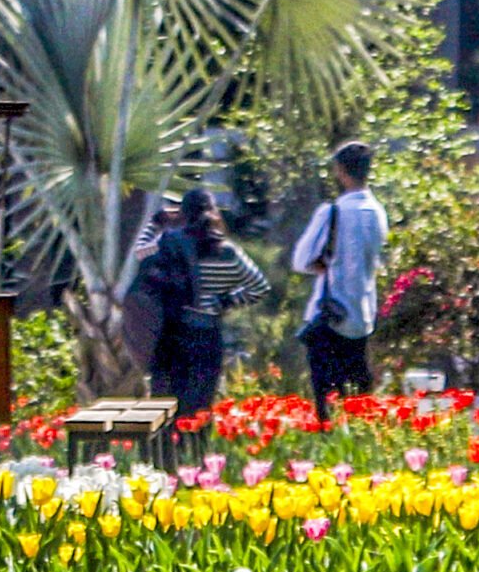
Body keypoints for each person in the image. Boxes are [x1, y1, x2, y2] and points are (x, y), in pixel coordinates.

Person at [132, 189, 268, 417]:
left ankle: (164, 452)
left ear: (183, 214)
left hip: (171, 336)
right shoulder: (227, 252)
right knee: (199, 408)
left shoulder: (168, 244)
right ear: (213, 212)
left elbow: (140, 251)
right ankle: (198, 451)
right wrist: (226, 302)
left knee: (166, 409)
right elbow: (260, 287)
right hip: (207, 336)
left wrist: (157, 221)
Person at [291, 141, 390, 420]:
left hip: (330, 316)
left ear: (341, 171)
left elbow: (301, 259)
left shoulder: (333, 212)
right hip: (362, 316)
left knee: (327, 406)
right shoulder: (378, 213)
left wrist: (322, 264)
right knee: (358, 404)